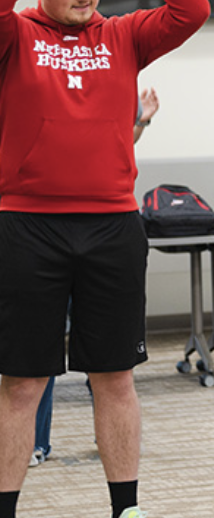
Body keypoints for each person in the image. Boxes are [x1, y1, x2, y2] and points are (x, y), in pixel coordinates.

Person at [0, 0, 210, 518]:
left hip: (112, 226)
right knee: (23, 382)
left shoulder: (123, 36)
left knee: (113, 377)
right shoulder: (15, 34)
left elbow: (193, 9)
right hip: (25, 225)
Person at [30, 87, 162, 470]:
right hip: (41, 235)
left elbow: (123, 142)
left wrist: (143, 119)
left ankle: (108, 435)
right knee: (38, 357)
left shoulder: (106, 87)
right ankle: (37, 443)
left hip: (102, 235)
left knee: (106, 362)